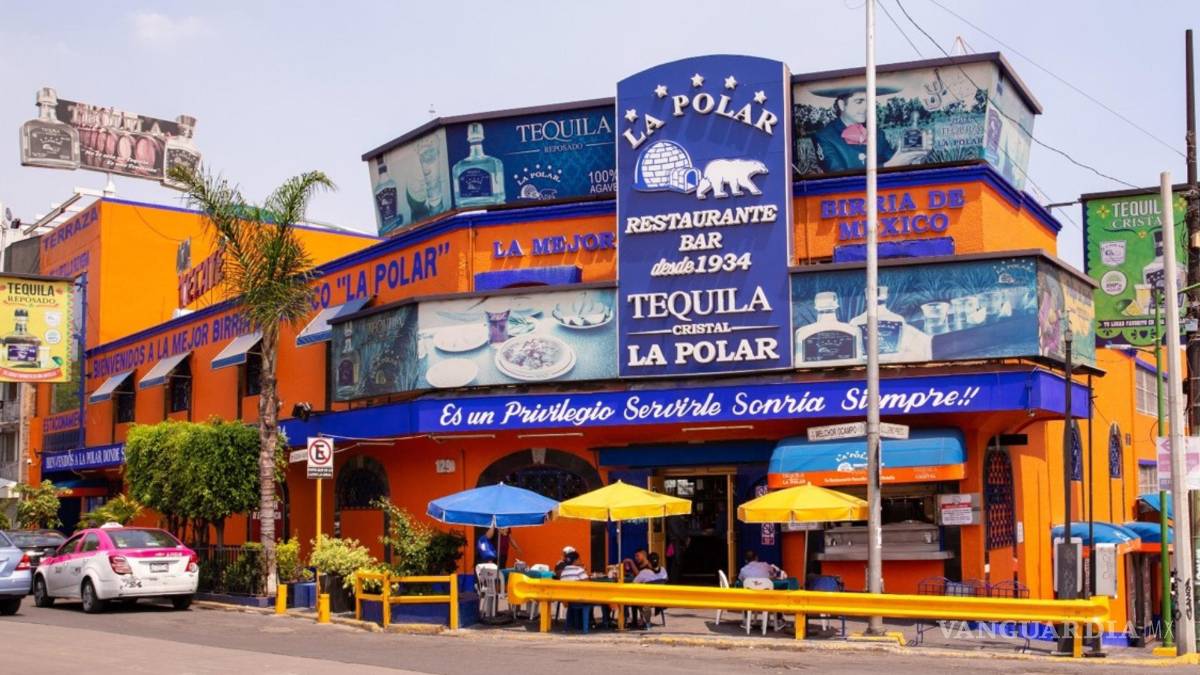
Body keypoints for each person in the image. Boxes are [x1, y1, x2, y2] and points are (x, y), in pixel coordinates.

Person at [809, 83, 928, 173]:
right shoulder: (824, 137)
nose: (866, 107)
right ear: (841, 105)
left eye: (869, 101)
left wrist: (914, 157)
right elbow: (837, 176)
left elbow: (895, 161)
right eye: (859, 101)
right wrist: (888, 166)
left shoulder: (877, 133)